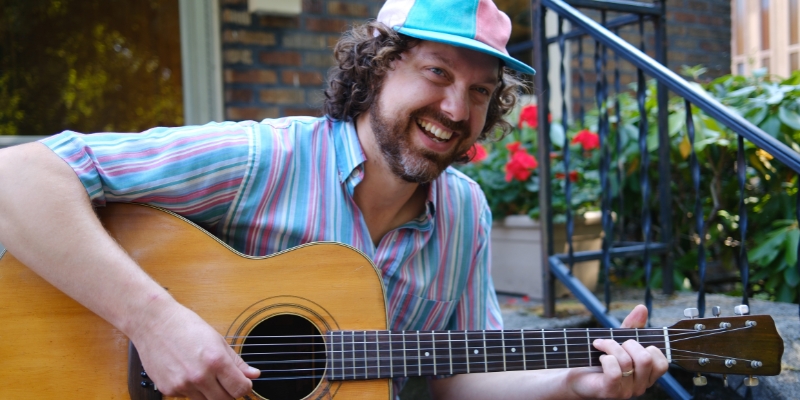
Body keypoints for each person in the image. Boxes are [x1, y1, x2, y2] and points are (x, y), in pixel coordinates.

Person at [0, 0, 668, 398]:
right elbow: (21, 177)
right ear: (380, 67)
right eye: (437, 73)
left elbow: (460, 373)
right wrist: (155, 323)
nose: (455, 108)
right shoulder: (266, 159)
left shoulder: (464, 213)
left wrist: (573, 384)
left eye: (481, 90)